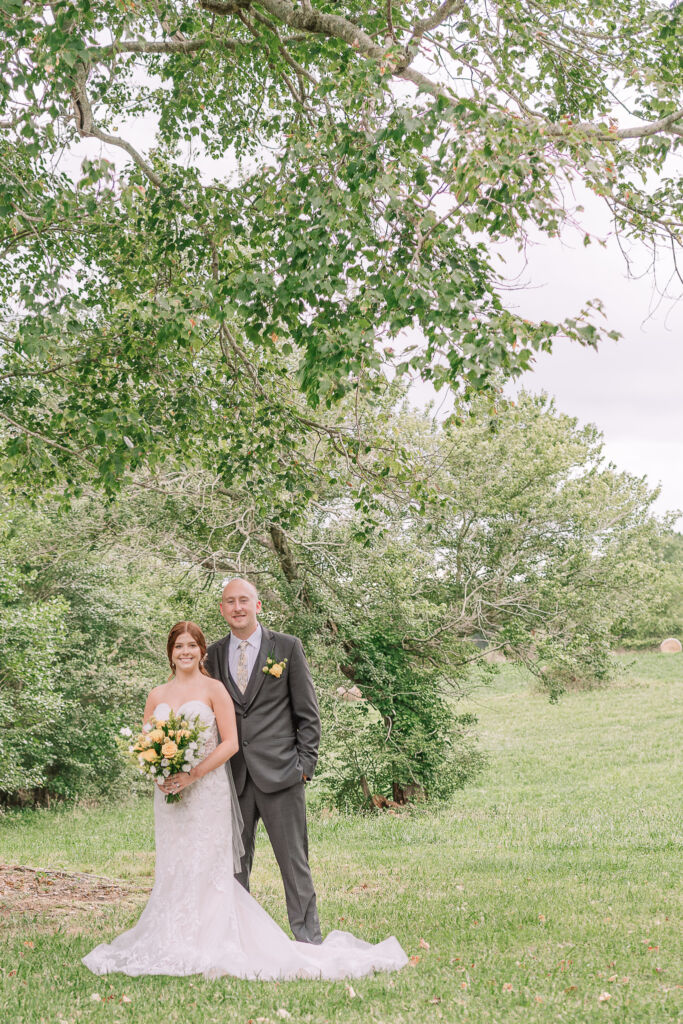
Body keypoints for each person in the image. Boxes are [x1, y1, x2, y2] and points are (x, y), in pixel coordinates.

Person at [82, 621, 407, 979]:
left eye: (192, 645)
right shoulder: (156, 695)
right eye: (178, 646)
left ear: (202, 651)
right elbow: (146, 743)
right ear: (170, 652)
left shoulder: (216, 686)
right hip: (174, 796)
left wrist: (193, 774)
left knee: (238, 864)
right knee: (178, 865)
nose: (185, 651)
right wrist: (159, 774)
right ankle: (175, 936)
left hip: (217, 787)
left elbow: (232, 740)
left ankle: (285, 940)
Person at [205, 577, 321, 944]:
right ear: (222, 609)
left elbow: (308, 714)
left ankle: (308, 939)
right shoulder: (213, 655)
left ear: (257, 606)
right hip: (232, 777)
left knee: (294, 864)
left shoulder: (287, 647)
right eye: (229, 601)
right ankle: (238, 940)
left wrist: (304, 767)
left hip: (282, 774)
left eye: (244, 600)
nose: (237, 607)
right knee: (235, 865)